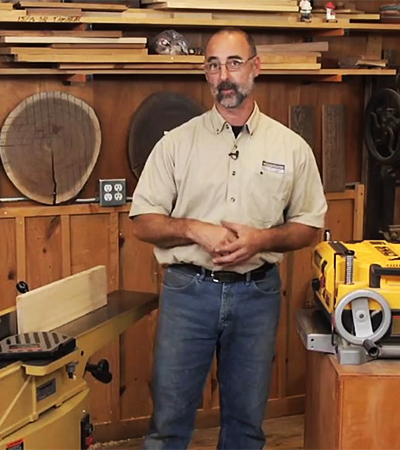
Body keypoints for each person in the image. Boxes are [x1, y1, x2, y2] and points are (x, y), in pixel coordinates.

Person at [130, 28, 328, 450]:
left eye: (234, 63)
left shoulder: (291, 149)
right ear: (206, 74)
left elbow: (310, 227)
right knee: (168, 421)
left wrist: (263, 239)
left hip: (257, 296)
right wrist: (191, 228)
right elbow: (142, 222)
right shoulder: (175, 145)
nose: (225, 76)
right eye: (214, 65)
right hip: (188, 293)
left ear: (255, 68)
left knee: (245, 423)